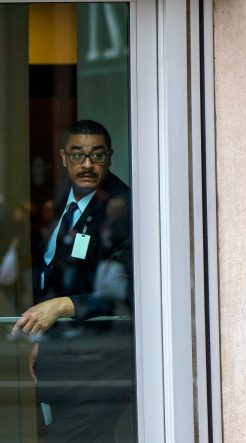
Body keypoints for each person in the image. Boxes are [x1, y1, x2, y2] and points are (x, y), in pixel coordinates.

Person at [13, 120, 133, 442]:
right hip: (64, 365)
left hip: (100, 370)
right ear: (65, 157)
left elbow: (125, 286)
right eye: (78, 155)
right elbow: (51, 274)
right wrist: (41, 340)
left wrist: (62, 306)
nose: (88, 164)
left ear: (110, 156)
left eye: (97, 155)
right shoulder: (61, 201)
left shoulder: (124, 207)